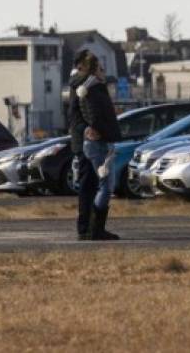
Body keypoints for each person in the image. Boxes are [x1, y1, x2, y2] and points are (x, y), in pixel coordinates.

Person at [76, 52, 123, 241]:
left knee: (103, 185)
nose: (104, 72)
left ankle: (95, 228)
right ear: (95, 70)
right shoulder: (93, 90)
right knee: (106, 185)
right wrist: (97, 130)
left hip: (98, 143)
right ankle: (96, 229)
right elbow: (94, 115)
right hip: (98, 144)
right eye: (101, 69)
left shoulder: (94, 89)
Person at [69, 49, 93, 241]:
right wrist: (87, 129)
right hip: (86, 142)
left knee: (90, 185)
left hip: (84, 141)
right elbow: (79, 116)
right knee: (88, 185)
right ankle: (85, 227)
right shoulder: (82, 85)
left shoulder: (82, 83)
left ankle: (89, 226)